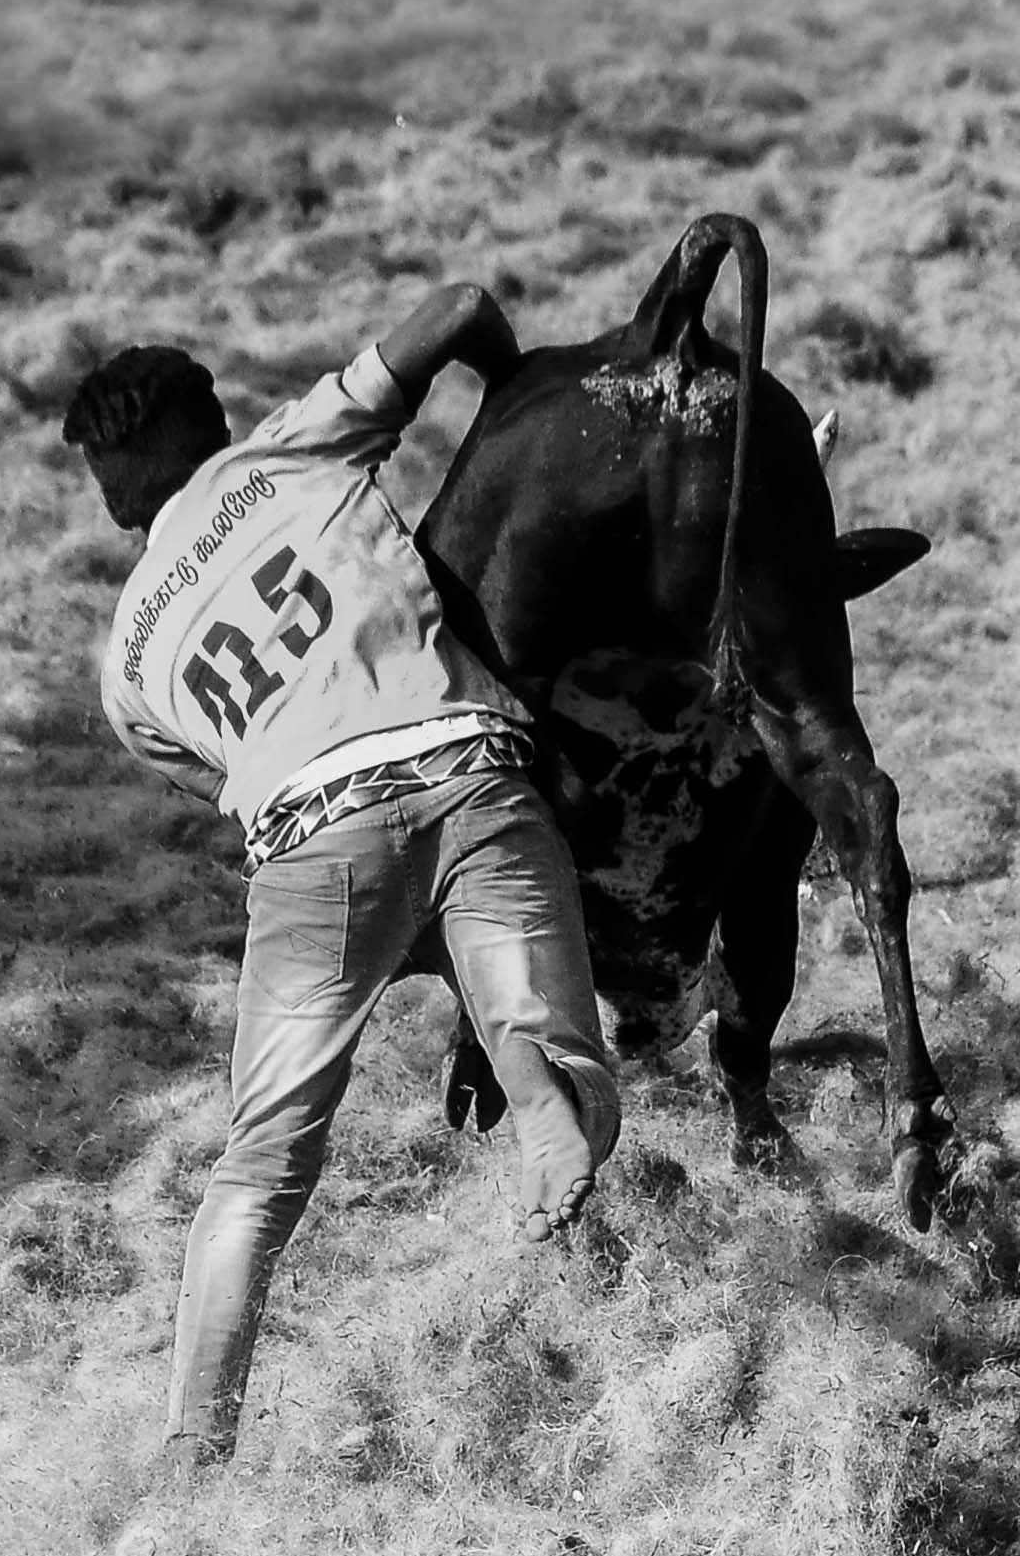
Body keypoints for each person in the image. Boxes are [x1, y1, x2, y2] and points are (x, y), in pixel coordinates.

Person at [65, 283, 619, 1480]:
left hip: (314, 846)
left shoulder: (129, 660)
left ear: (110, 492)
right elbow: (461, 306)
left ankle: (191, 1442)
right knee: (553, 1048)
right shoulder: (289, 447)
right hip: (463, 767)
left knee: (258, 1167)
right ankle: (537, 1092)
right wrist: (514, 399)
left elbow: (206, 772)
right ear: (210, 419)